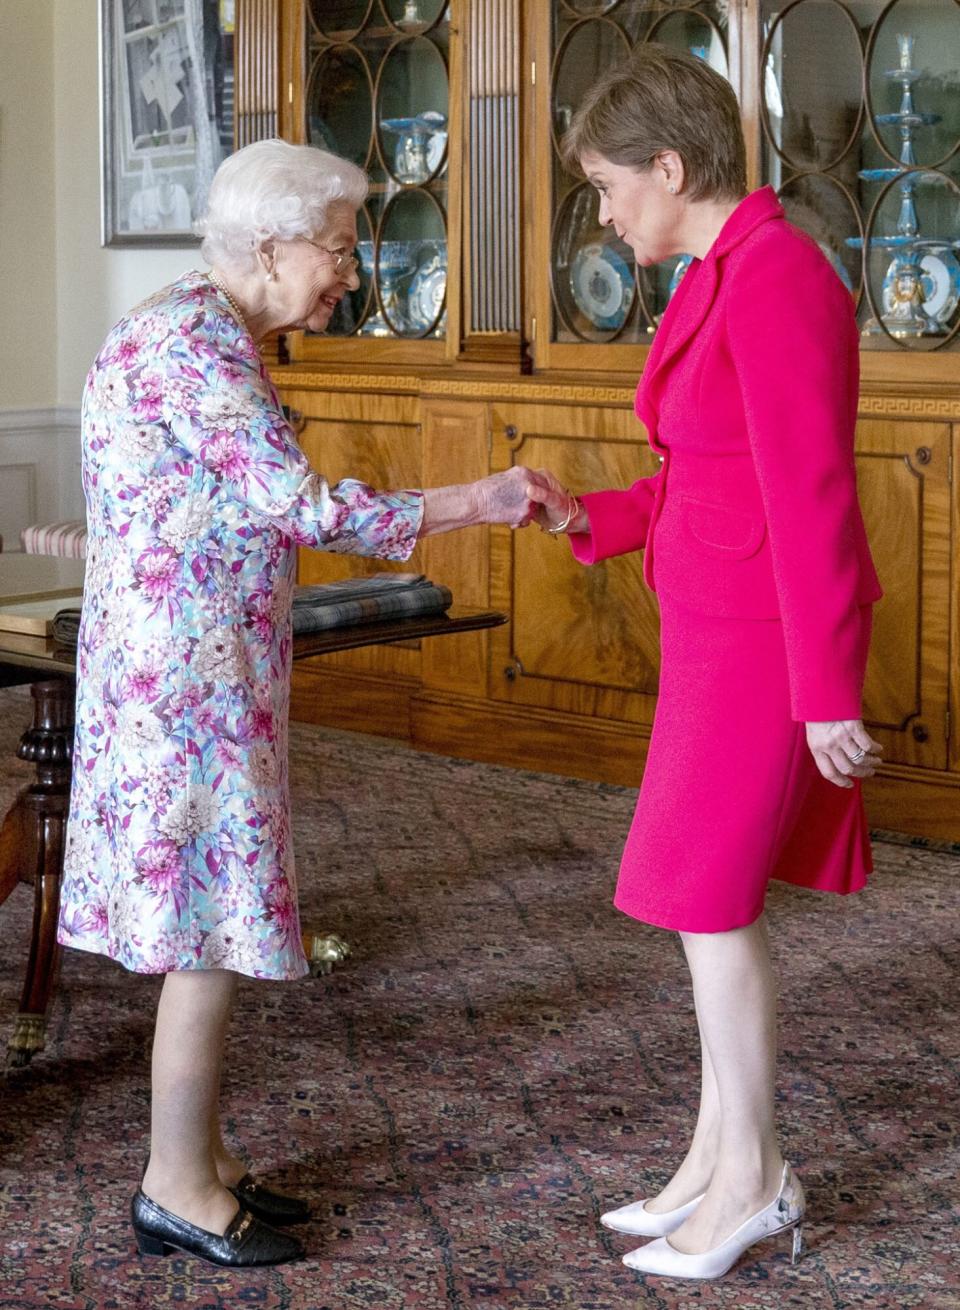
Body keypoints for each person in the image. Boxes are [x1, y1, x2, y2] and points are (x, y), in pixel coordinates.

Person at [57, 138, 537, 1269]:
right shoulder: (195, 344)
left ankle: (202, 1159)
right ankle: (174, 1183)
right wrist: (486, 494)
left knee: (206, 924)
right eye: (335, 246)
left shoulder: (197, 323)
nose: (349, 269)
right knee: (205, 930)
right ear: (268, 245)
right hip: (186, 690)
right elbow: (306, 507)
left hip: (194, 676)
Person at [527, 45, 883, 1281]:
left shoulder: (779, 275)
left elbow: (814, 494)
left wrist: (828, 688)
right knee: (696, 904)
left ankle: (754, 1177)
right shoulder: (714, 273)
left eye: (613, 188)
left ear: (672, 170)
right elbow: (703, 472)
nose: (609, 211)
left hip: (764, 647)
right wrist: (592, 519)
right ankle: (711, 1154)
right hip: (716, 634)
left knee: (706, 900)